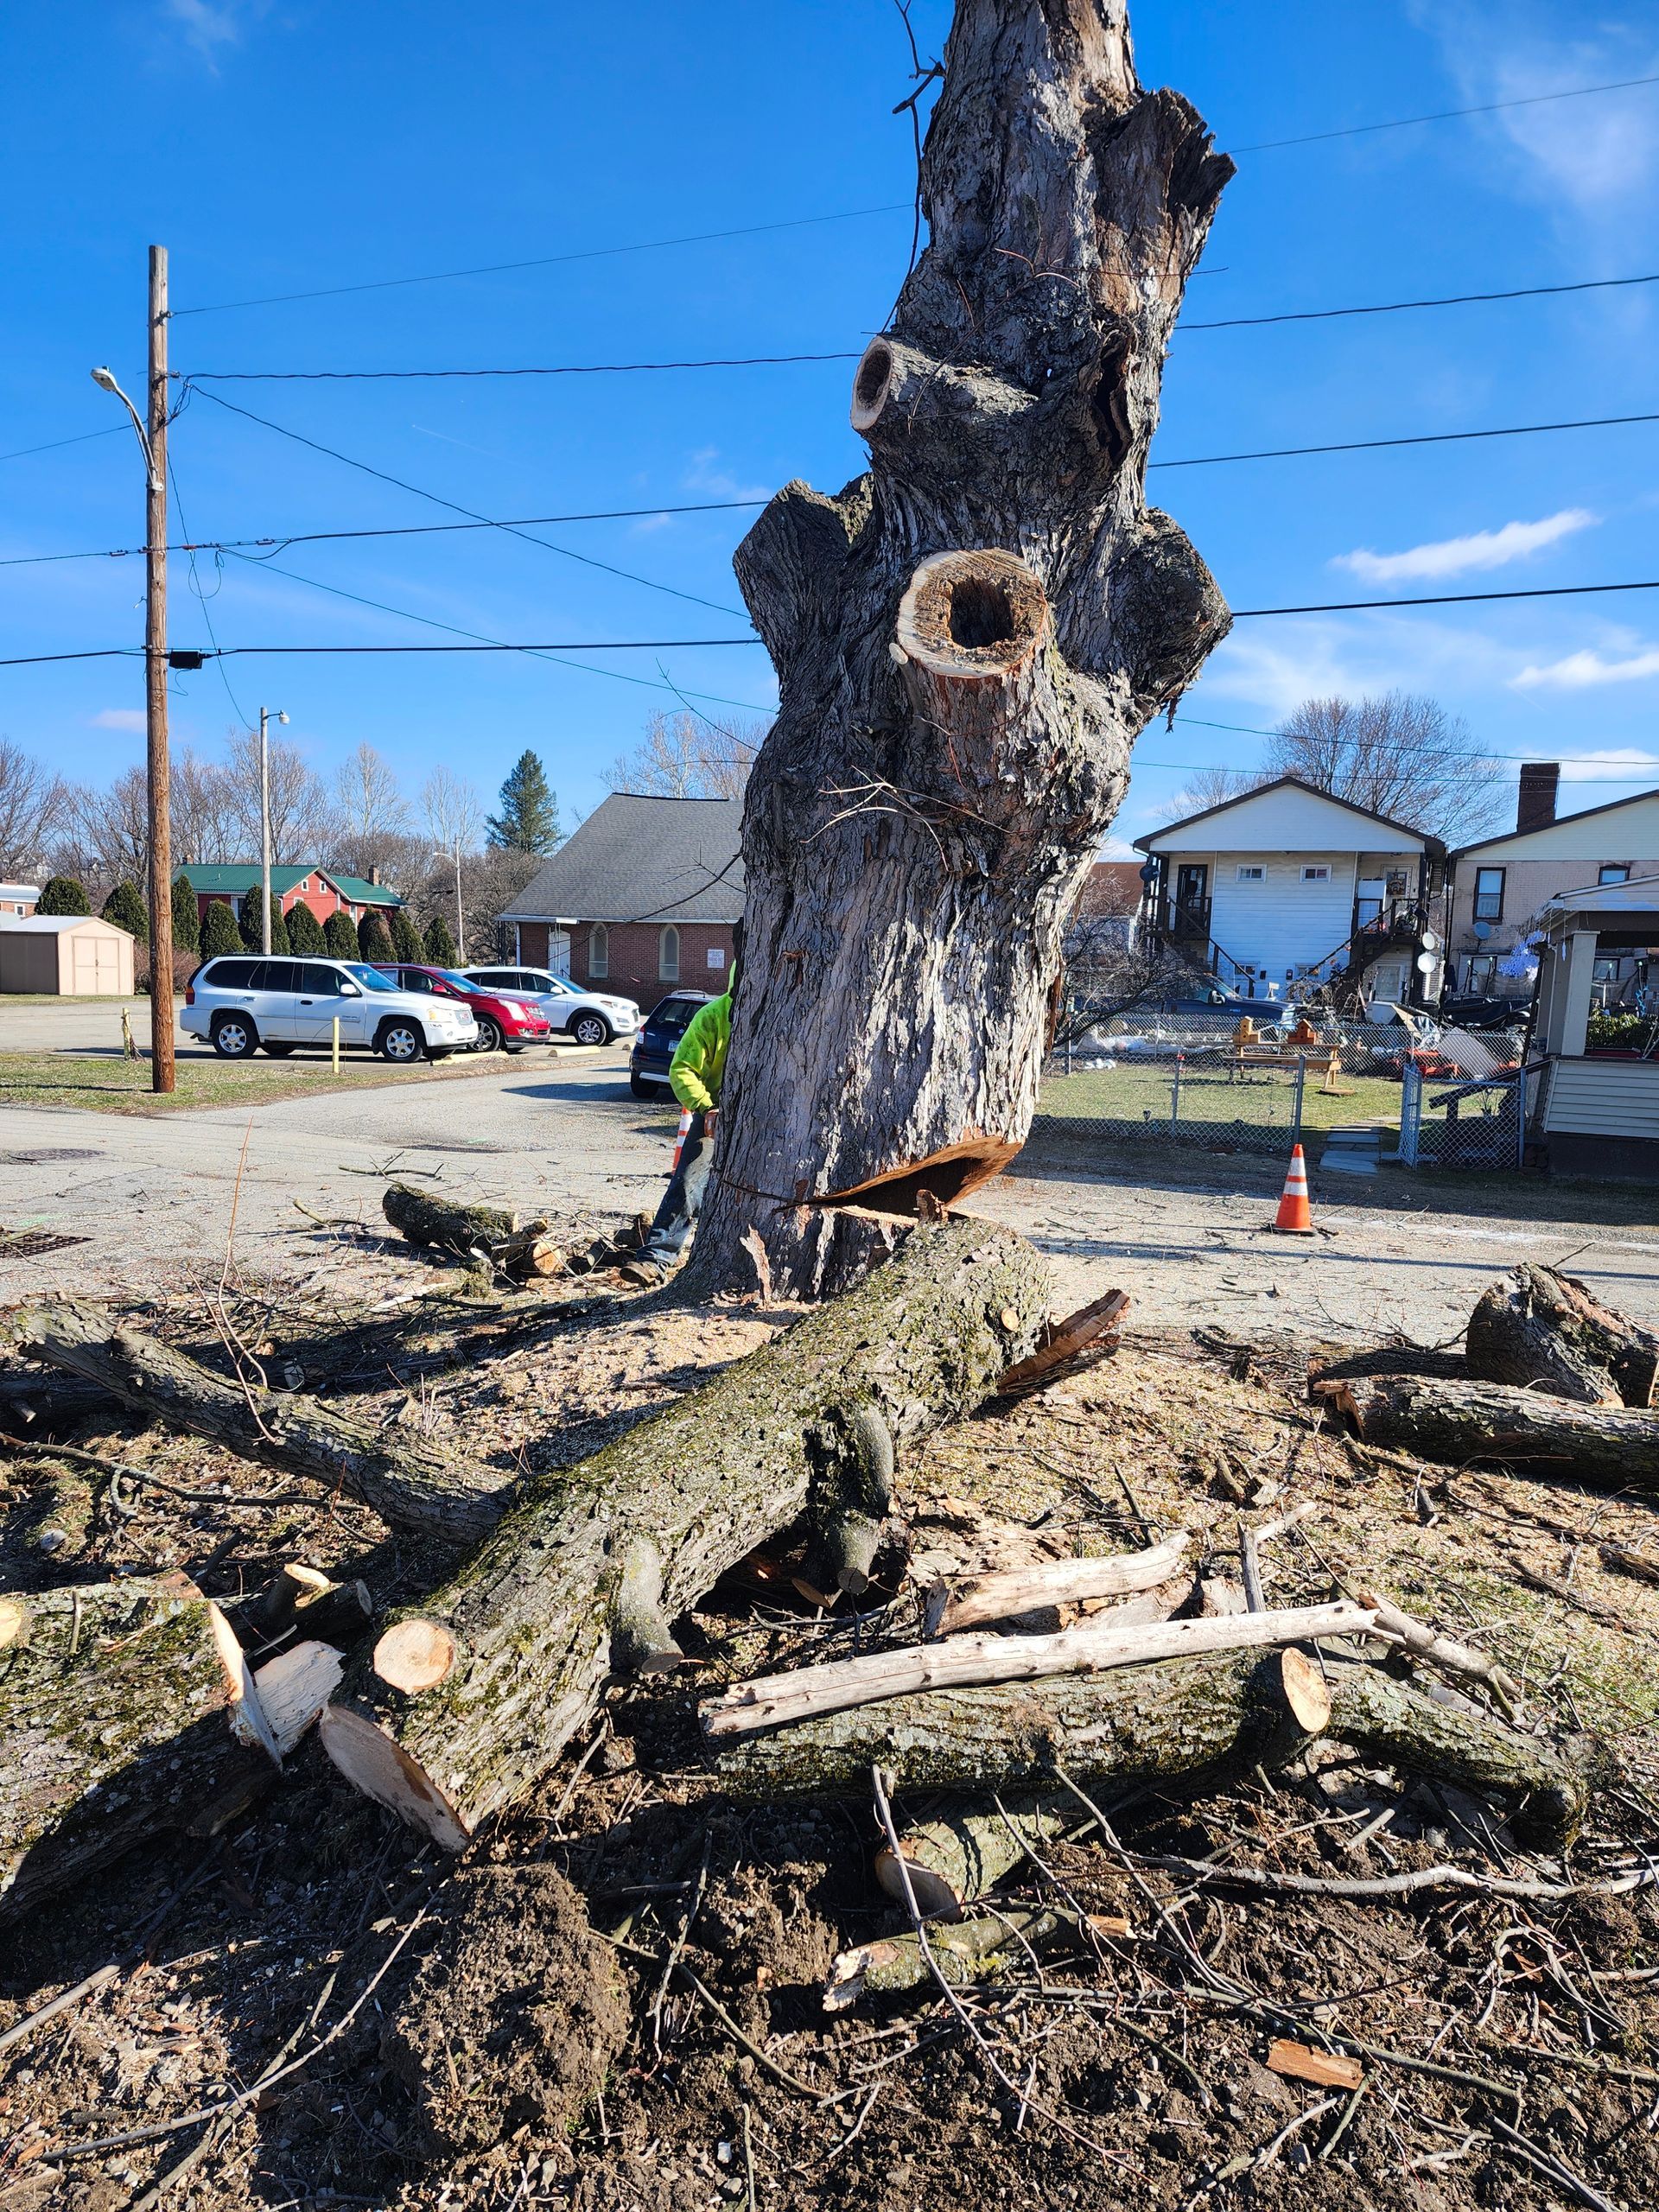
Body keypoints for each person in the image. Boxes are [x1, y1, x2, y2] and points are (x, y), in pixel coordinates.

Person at [620, 952, 737, 1287]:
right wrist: (706, 1107)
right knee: (688, 1183)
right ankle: (656, 1258)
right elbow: (682, 1070)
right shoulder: (713, 1017)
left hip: (768, 1117)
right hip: (713, 1112)